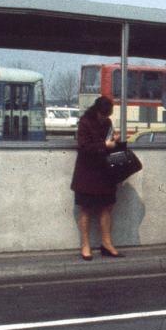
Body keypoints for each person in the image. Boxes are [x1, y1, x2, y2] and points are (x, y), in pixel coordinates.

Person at [71, 95, 122, 260]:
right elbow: (83, 146)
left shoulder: (107, 123)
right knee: (85, 209)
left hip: (103, 172)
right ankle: (85, 246)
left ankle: (107, 243)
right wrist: (104, 145)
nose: (105, 118)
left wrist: (114, 141)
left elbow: (107, 142)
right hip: (87, 173)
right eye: (103, 115)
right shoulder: (85, 122)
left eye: (107, 116)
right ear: (97, 111)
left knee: (107, 208)